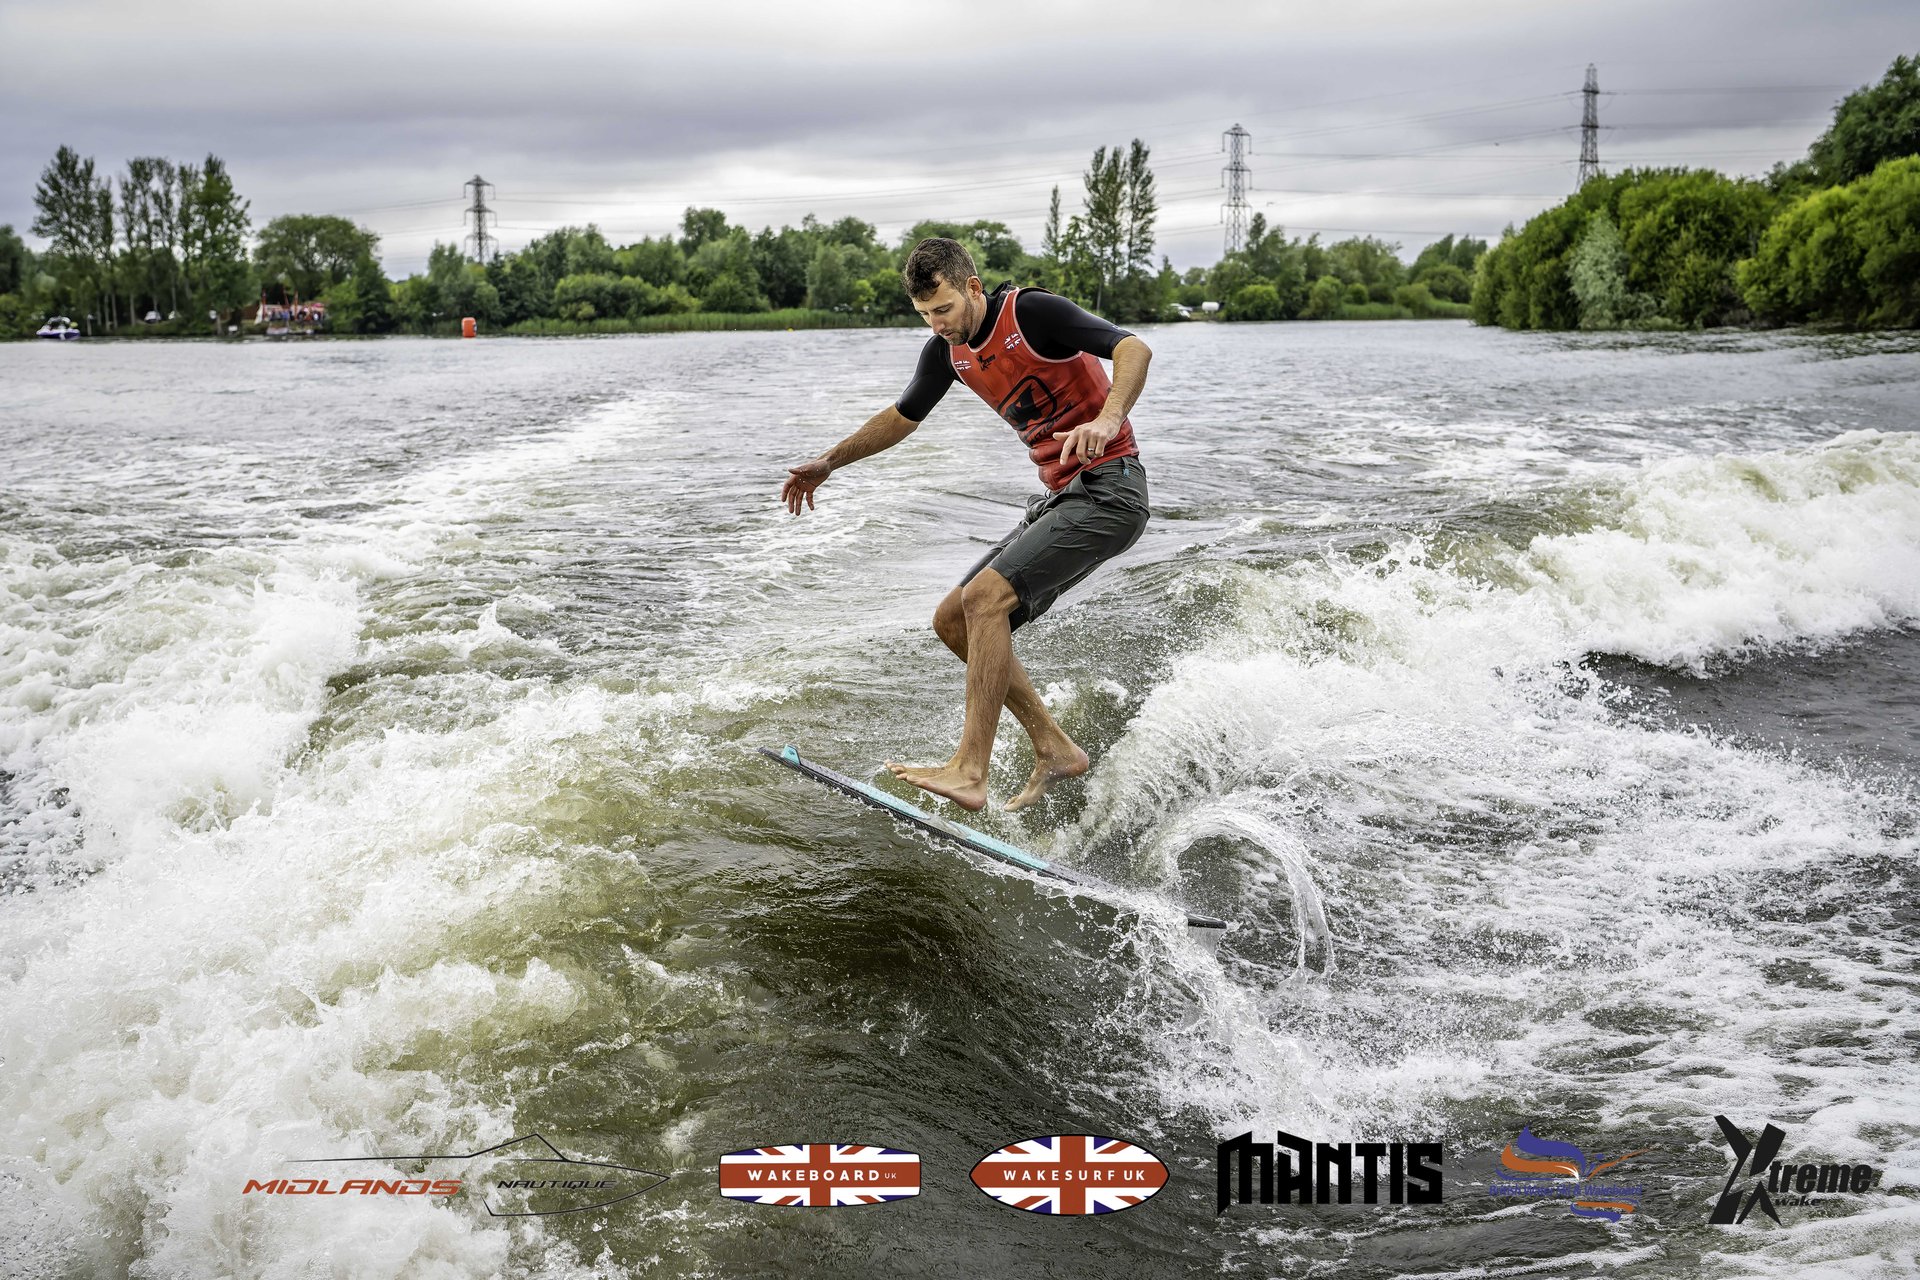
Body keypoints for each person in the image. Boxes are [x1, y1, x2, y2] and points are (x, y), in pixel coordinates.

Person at [780, 237, 1153, 813]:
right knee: (954, 619)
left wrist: (1108, 418)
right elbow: (903, 415)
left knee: (984, 600)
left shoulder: (1031, 314)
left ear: (973, 288)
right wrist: (830, 461)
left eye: (945, 309)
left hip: (1111, 489)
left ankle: (970, 770)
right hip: (1064, 496)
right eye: (926, 315)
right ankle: (1054, 748)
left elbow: (1132, 348)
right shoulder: (945, 352)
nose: (938, 324)